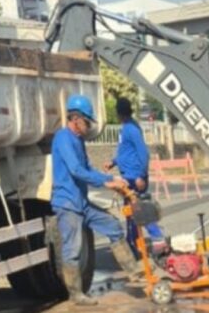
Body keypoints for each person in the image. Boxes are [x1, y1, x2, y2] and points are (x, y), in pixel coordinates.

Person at [51, 94, 143, 306]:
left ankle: (134, 272)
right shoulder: (63, 138)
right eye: (87, 121)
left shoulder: (78, 140)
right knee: (72, 249)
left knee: (112, 226)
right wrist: (107, 180)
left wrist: (110, 181)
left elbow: (87, 169)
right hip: (67, 203)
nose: (89, 125)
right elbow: (75, 170)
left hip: (81, 201)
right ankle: (76, 295)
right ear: (75, 119)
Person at [105, 97, 165, 256]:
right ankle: (133, 244)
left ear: (118, 113)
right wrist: (114, 162)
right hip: (128, 176)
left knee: (140, 209)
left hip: (134, 177)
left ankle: (158, 238)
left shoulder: (131, 129)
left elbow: (143, 153)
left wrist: (140, 175)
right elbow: (126, 152)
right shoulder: (125, 128)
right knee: (131, 213)